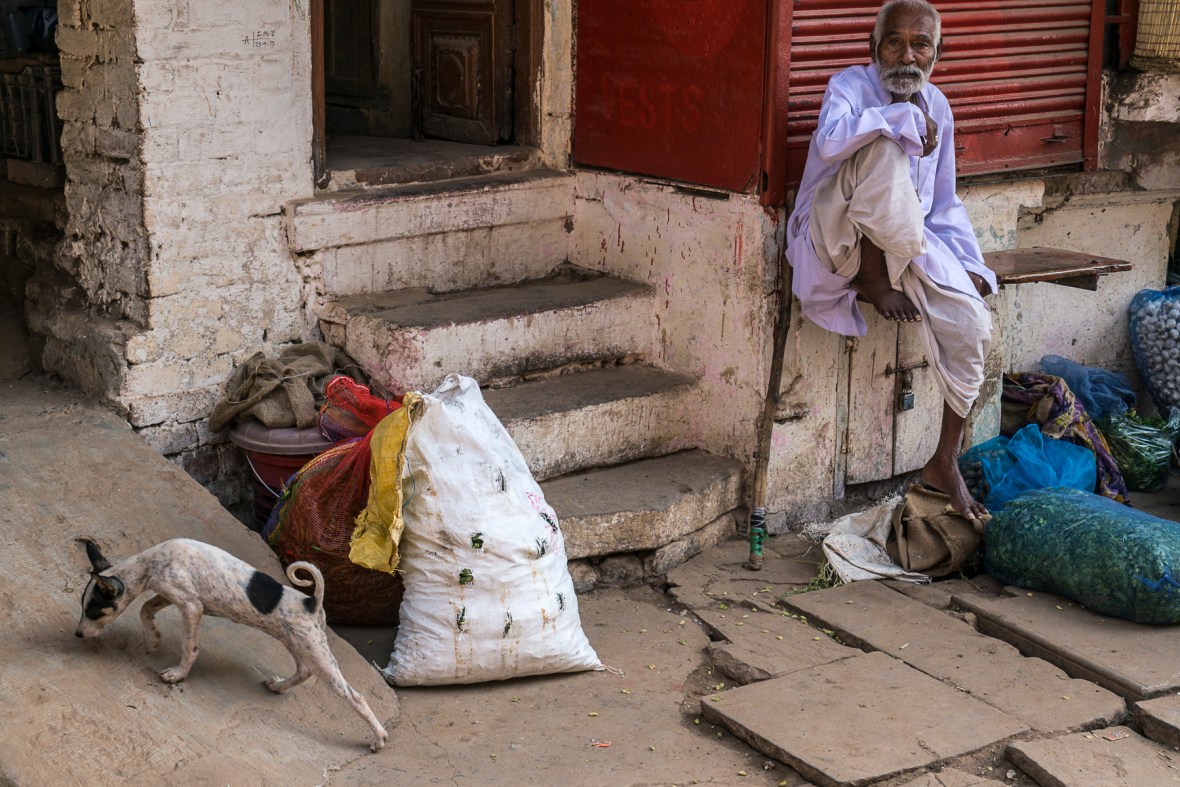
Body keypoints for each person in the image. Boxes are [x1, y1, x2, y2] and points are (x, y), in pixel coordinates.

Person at [785, 0, 997, 520]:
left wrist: (973, 264)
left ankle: (944, 459)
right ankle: (875, 281)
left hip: (909, 239)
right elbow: (833, 142)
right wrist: (898, 117)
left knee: (973, 324)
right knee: (882, 146)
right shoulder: (849, 87)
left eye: (920, 44)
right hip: (834, 235)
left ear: (937, 53)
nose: (907, 55)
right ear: (873, 48)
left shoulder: (939, 107)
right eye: (894, 42)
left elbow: (944, 201)